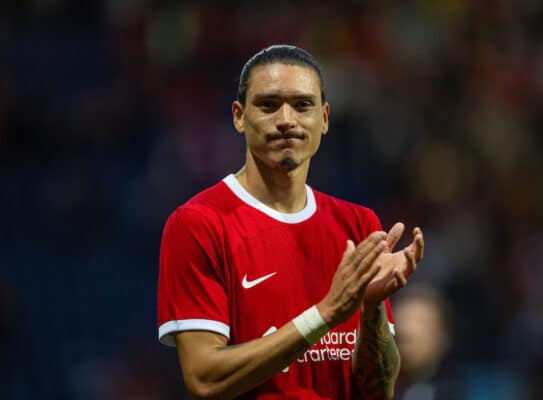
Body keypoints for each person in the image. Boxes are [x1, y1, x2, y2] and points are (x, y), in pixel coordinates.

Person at [157, 44, 425, 400]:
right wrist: (326, 313)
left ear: (325, 118)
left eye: (302, 105)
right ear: (239, 116)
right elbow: (205, 379)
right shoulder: (199, 224)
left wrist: (372, 308)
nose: (287, 119)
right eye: (268, 105)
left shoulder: (359, 225)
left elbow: (378, 391)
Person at [392, 285, 459, 400]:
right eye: (400, 321)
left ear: (443, 336)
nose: (407, 330)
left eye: (421, 322)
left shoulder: (463, 390)